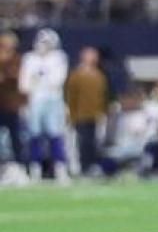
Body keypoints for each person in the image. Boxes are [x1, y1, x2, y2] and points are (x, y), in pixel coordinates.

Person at [20, 29, 71, 181]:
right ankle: (35, 170)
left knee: (55, 134)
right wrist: (39, 78)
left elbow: (57, 80)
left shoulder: (59, 57)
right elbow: (24, 85)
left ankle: (60, 169)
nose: (44, 46)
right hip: (35, 100)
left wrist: (39, 77)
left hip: (53, 100)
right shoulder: (29, 58)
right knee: (34, 135)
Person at [65, 46, 109, 177]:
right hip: (81, 114)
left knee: (94, 142)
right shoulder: (76, 75)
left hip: (95, 114)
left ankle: (92, 165)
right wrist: (71, 114)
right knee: (84, 142)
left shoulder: (100, 75)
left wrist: (103, 112)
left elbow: (103, 96)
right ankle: (84, 166)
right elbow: (71, 96)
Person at [0, 31, 22, 169]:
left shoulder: (17, 59)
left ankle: (18, 164)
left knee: (15, 134)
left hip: (11, 104)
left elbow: (18, 77)